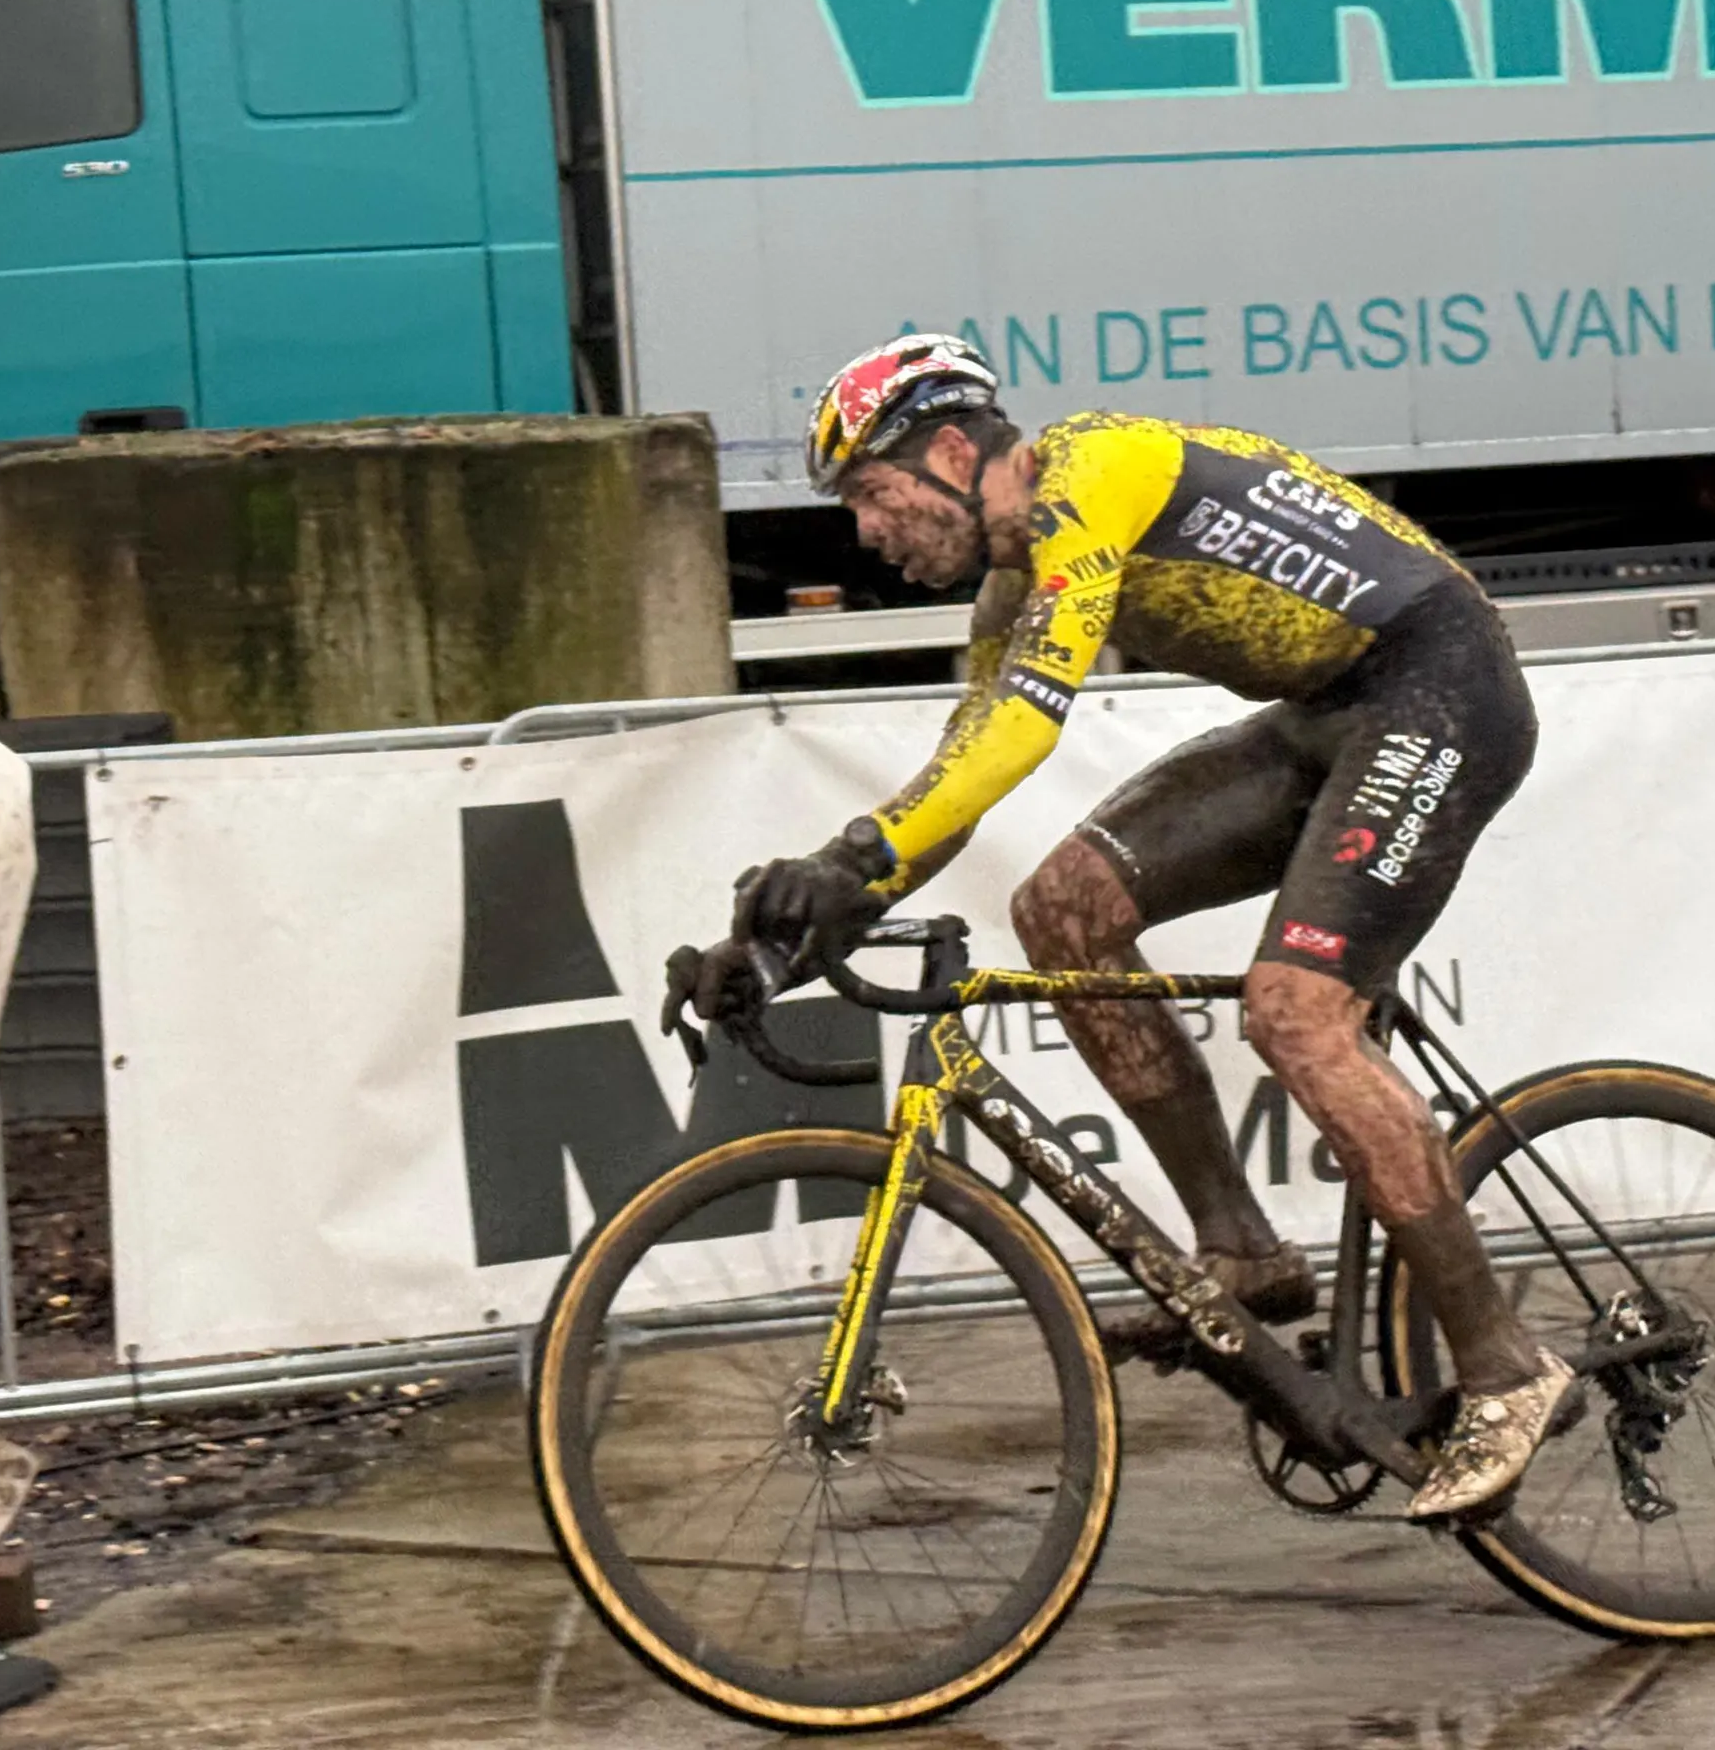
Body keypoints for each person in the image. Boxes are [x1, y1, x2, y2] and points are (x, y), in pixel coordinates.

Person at [670, 331, 1568, 1521]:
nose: (868, 533)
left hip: (1440, 687)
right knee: (1064, 909)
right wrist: (795, 933)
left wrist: (850, 858)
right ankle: (1240, 1248)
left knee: (1299, 1016)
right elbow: (964, 770)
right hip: (1327, 714)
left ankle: (1505, 1364)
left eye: (875, 496)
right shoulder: (1011, 585)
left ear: (950, 450)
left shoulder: (1088, 475)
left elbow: (1027, 731)